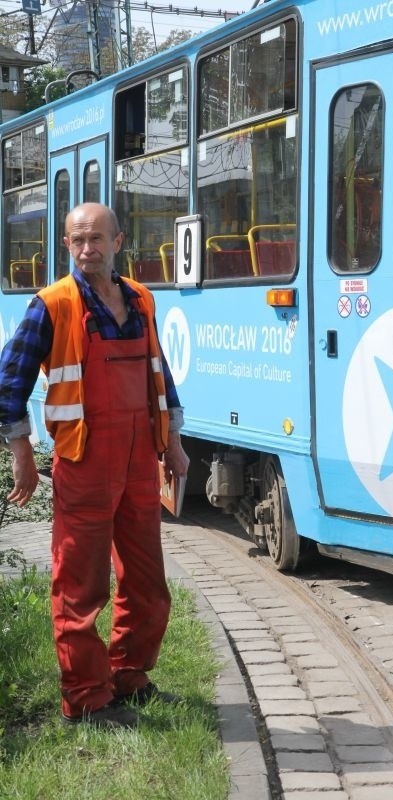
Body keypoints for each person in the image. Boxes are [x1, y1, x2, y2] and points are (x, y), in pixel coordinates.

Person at [0, 202, 190, 729]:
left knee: (147, 580)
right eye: (78, 240)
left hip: (138, 461)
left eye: (97, 239)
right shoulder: (52, 304)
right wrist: (23, 457)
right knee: (80, 585)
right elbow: (9, 388)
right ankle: (85, 699)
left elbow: (161, 376)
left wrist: (173, 442)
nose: (88, 249)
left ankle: (129, 675)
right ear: (66, 245)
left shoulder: (141, 300)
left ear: (118, 241)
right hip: (83, 461)